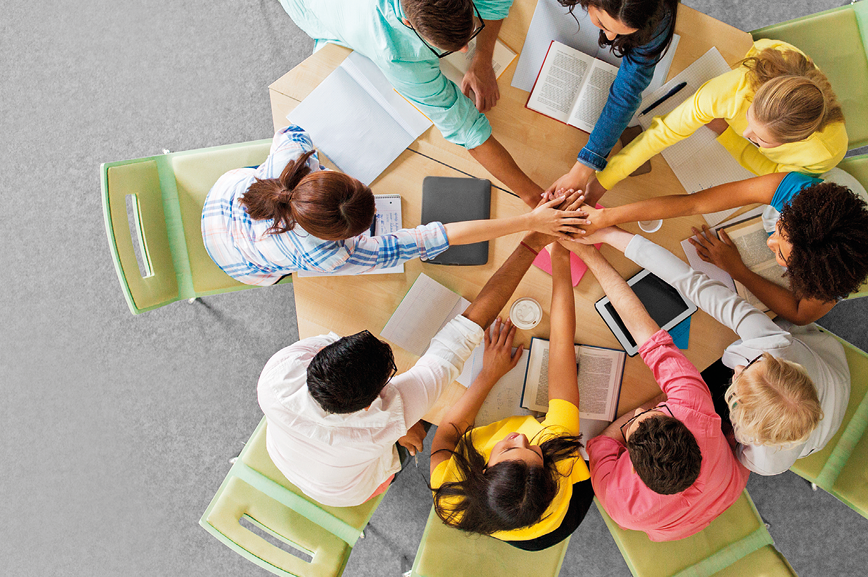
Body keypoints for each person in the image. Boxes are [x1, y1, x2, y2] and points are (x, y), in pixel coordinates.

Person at [256, 230, 560, 507]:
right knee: (418, 428)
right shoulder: (384, 422)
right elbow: (461, 336)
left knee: (411, 423)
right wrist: (529, 245)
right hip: (348, 491)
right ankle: (401, 445)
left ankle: (405, 431)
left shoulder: (277, 375)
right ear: (369, 406)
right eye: (392, 378)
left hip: (286, 455)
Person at [278, 0, 545, 203]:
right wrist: (533, 197)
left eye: (471, 31)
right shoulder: (393, 51)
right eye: (448, 49)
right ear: (408, 24)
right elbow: (466, 129)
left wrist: (482, 54)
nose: (465, 51)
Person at [580, 224, 849, 476]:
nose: (740, 367)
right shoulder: (774, 342)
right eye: (756, 362)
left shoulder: (764, 463)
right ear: (786, 366)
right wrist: (611, 234)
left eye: (739, 384)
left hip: (821, 396)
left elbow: (737, 450)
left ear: (740, 419)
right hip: (829, 370)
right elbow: (691, 282)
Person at [203, 124, 588, 286]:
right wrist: (529, 221)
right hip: (240, 260)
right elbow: (435, 238)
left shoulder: (289, 159)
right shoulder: (329, 259)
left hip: (224, 200)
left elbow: (291, 131)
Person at [568, 241, 747, 540]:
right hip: (723, 489)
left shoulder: (618, 501)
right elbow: (648, 335)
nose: (638, 411)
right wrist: (589, 253)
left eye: (634, 422)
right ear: (687, 430)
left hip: (713, 497)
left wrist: (656, 402)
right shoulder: (692, 409)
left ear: (632, 468)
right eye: (649, 413)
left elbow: (599, 443)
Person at [427, 242, 592, 550]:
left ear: (483, 472)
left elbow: (446, 436)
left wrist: (488, 375)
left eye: (511, 449)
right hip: (559, 518)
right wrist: (560, 257)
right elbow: (561, 347)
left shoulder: (450, 497)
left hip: (512, 517)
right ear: (549, 474)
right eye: (533, 449)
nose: (519, 436)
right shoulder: (560, 451)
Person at [529, 0, 687, 203]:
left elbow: (628, 90)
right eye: (603, 24)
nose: (610, 40)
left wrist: (586, 165)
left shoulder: (660, 13)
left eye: (622, 31)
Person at [582, 167, 868, 325]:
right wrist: (606, 216)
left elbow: (801, 314)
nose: (769, 241)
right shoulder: (796, 191)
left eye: (780, 254)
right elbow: (693, 204)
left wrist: (737, 269)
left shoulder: (832, 277)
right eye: (779, 231)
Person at [594, 40, 849, 193]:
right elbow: (664, 131)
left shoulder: (824, 155)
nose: (746, 134)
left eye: (759, 140)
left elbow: (773, 172)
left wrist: (727, 134)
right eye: (749, 118)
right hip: (763, 54)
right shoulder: (732, 90)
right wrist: (603, 180)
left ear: (794, 141)